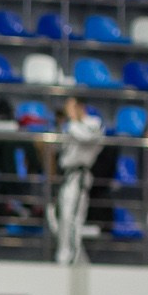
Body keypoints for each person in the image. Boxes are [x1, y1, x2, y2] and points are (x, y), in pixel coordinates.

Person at [55, 95, 104, 266]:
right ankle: (65, 254)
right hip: (66, 175)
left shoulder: (93, 123)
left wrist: (73, 119)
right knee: (63, 216)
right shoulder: (69, 126)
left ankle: (71, 258)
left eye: (71, 107)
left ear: (80, 107)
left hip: (79, 174)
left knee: (73, 217)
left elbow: (87, 138)